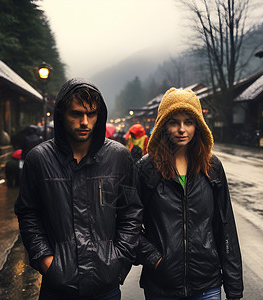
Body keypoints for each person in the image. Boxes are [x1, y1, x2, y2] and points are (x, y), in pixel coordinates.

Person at [14, 78, 143, 300]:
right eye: (76, 114)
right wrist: (46, 261)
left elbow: (131, 212)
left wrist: (119, 259)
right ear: (62, 114)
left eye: (91, 114)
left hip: (106, 286)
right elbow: (28, 214)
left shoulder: (119, 157)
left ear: (99, 115)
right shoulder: (39, 159)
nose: (85, 122)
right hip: (57, 287)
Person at [136, 88, 243, 300]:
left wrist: (234, 286)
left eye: (189, 122)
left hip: (207, 284)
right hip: (161, 287)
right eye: (174, 122)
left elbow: (225, 226)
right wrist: (156, 259)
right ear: (163, 126)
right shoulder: (146, 169)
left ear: (199, 126)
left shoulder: (212, 166)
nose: (182, 129)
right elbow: (128, 224)